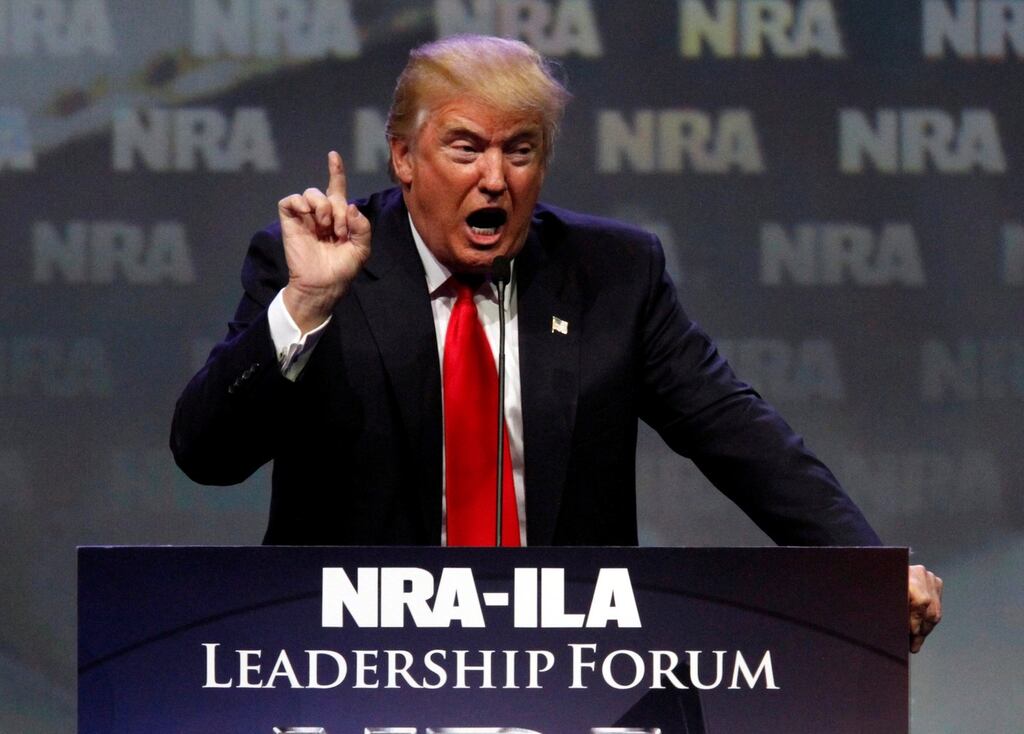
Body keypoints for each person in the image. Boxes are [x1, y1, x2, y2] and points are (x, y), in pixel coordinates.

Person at [170, 35, 941, 652]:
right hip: (353, 664)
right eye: (466, 148)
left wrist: (868, 568)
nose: (496, 179)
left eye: (522, 150)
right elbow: (207, 453)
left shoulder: (612, 275)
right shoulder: (315, 263)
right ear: (404, 158)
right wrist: (307, 302)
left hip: (561, 666)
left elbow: (741, 435)